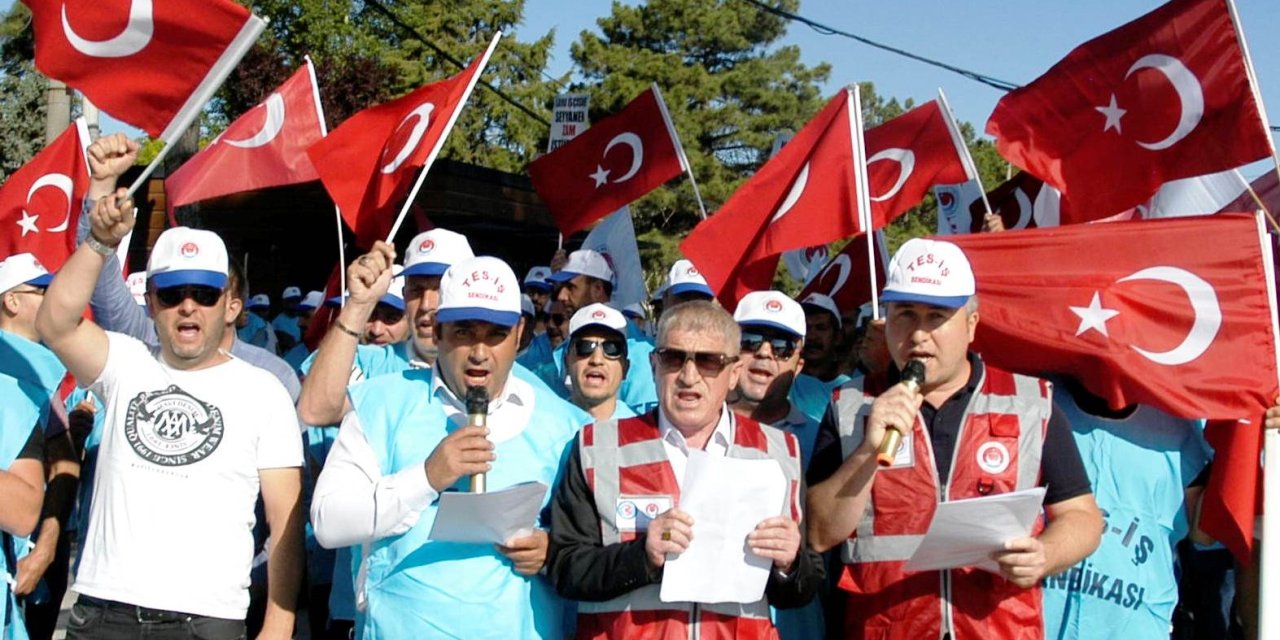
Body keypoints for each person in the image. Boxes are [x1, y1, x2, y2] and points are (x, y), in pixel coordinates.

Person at [36, 185, 304, 639]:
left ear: (228, 304)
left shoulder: (265, 391)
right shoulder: (123, 362)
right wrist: (99, 242)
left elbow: (285, 520)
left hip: (207, 621)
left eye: (204, 292)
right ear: (151, 301)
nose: (188, 305)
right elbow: (54, 321)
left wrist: (278, 625)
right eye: (172, 291)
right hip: (104, 615)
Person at [807, 238, 1103, 640]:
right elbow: (820, 533)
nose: (918, 334)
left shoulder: (1031, 402)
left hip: (998, 629)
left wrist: (1046, 555)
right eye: (905, 314)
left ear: (971, 325)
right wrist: (865, 453)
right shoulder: (849, 405)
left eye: (937, 316)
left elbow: (1083, 519)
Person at [311, 256, 587, 639]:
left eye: (496, 334)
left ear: (520, 332)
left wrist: (553, 551)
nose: (479, 351)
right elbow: (328, 521)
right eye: (463, 332)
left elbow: (597, 546)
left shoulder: (567, 425)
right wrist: (426, 477)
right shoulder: (381, 404)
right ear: (437, 331)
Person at [546, 300, 824, 638]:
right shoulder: (598, 446)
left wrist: (791, 563)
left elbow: (801, 588)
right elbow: (564, 569)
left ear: (733, 372)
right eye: (673, 358)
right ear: (653, 365)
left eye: (709, 361)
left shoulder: (779, 452)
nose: (689, 377)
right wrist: (643, 557)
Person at [1042, 377, 1210, 640]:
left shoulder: (1184, 420)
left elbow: (1205, 533)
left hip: (1134, 627)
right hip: (1034, 621)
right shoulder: (1035, 401)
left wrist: (1258, 442)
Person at [296, 229, 474, 426]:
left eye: (440, 289)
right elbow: (315, 412)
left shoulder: (502, 375)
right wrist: (359, 304)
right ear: (405, 294)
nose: (425, 305)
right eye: (416, 289)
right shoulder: (367, 362)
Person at [728, 290, 825, 640]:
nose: (765, 353)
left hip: (794, 624)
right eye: (751, 340)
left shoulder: (820, 439)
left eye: (782, 346)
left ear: (799, 364)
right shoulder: (693, 432)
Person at [0, 254, 61, 638]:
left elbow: (23, 510)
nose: (54, 300)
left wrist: (48, 544)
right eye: (42, 291)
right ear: (11, 301)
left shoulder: (17, 384)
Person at [547, 250, 657, 413]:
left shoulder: (639, 350)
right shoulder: (564, 343)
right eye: (585, 347)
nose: (562, 296)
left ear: (597, 288)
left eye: (570, 287)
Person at [563, 303, 635, 422]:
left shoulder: (644, 433)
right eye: (585, 347)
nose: (597, 360)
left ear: (625, 368)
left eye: (611, 348)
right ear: (566, 363)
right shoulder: (548, 427)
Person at [789, 293, 851, 425]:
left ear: (838, 336)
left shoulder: (850, 390)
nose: (812, 336)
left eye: (821, 328)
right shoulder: (781, 381)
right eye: (806, 328)